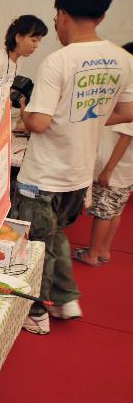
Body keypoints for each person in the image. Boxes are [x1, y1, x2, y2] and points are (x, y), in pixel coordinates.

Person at [15, 0, 133, 335]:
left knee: (34, 246)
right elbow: (127, 111)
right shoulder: (122, 58)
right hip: (79, 175)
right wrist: (89, 120)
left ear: (62, 14)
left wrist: (22, 111)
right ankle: (66, 297)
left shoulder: (59, 61)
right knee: (57, 235)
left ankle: (36, 313)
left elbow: (39, 122)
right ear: (100, 14)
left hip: (43, 175)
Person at [73, 41, 133, 268]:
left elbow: (125, 137)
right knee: (115, 210)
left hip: (114, 168)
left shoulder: (127, 98)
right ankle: (105, 250)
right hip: (125, 170)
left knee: (103, 212)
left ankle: (93, 253)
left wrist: (107, 170)